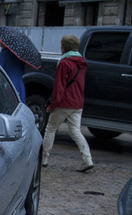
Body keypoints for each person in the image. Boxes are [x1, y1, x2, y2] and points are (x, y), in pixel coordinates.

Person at [42, 34, 94, 172]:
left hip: (64, 102)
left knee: (51, 128)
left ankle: (43, 159)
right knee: (76, 131)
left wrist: (52, 105)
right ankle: (87, 159)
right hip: (78, 103)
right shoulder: (81, 62)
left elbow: (59, 87)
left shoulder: (64, 63)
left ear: (64, 47)